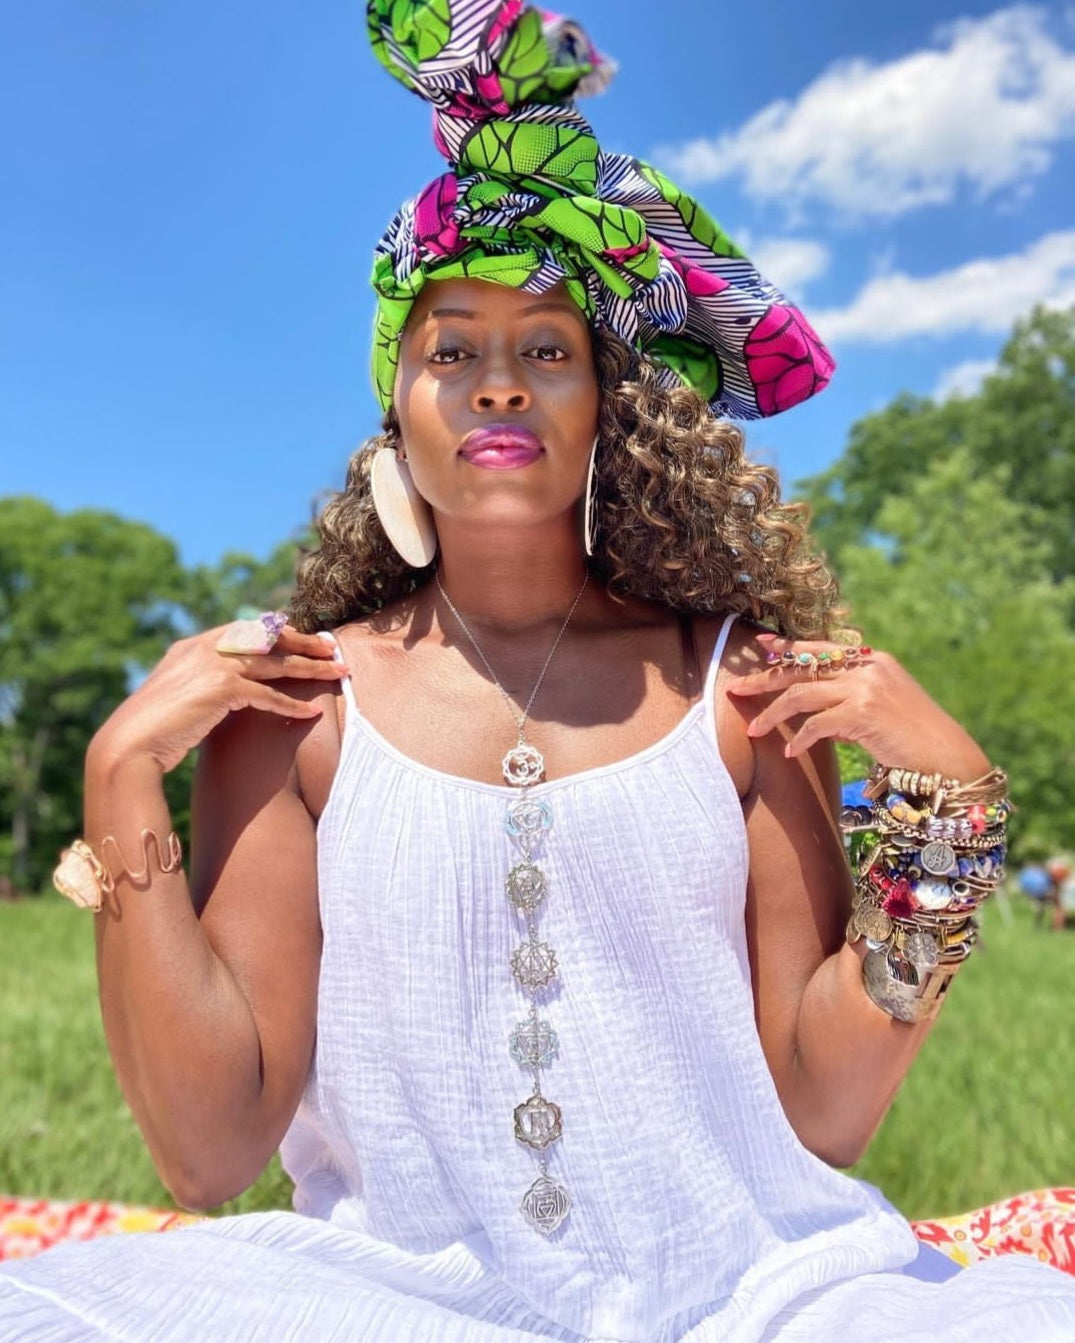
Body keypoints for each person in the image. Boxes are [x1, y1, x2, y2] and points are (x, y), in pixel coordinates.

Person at [3, 4, 1074, 1339]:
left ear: (606, 404)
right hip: (395, 1306)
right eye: (451, 347)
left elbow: (832, 1109)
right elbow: (205, 1155)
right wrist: (115, 784)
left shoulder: (738, 693)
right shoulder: (298, 711)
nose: (498, 382)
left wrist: (945, 823)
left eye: (548, 350)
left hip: (760, 1299)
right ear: (395, 400)